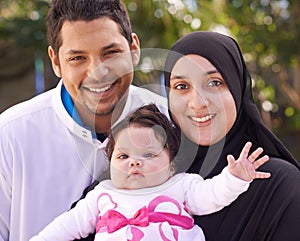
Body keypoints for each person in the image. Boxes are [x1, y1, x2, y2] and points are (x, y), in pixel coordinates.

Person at [0, 1, 168, 240]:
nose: (98, 72)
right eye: (78, 58)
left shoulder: (170, 121)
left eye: (110, 53)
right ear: (56, 62)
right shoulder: (9, 137)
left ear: (134, 49)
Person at [29, 104, 270, 241]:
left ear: (172, 165)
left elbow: (211, 196)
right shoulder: (102, 194)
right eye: (123, 156)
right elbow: (67, 226)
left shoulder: (180, 185)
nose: (134, 163)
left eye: (148, 155)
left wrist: (234, 177)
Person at [164, 31, 300, 241]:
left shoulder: (280, 187)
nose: (198, 103)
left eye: (214, 83)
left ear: (236, 87)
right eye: (181, 87)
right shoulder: (147, 174)